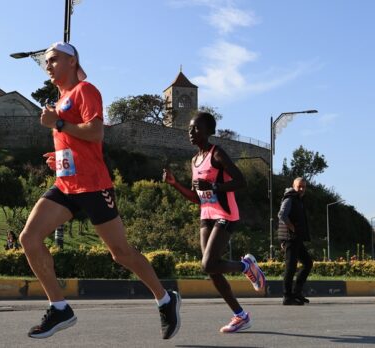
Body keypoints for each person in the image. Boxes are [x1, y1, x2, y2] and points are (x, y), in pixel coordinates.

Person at [19, 42, 180, 340]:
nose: (48, 65)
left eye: (54, 60)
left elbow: (96, 132)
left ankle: (165, 298)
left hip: (94, 185)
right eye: (46, 62)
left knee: (120, 253)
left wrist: (58, 122)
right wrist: (60, 158)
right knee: (28, 238)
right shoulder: (62, 98)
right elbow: (75, 141)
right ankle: (59, 307)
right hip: (66, 185)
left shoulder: (86, 90)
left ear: (72, 62)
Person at [162, 112, 266, 333]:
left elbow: (241, 181)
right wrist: (174, 184)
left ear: (208, 131)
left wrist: (215, 187)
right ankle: (241, 316)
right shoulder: (194, 160)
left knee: (208, 264)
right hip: (206, 215)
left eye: (196, 128)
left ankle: (246, 266)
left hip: (225, 215)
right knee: (212, 269)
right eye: (190, 129)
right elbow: (195, 196)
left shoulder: (217, 153)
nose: (191, 132)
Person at [277, 177, 314, 305]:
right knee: (291, 267)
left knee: (308, 263)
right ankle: (287, 297)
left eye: (304, 186)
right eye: (299, 186)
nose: (302, 189)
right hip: (290, 238)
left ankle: (297, 293)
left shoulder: (298, 199)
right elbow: (281, 215)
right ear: (294, 186)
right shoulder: (290, 198)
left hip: (296, 238)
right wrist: (291, 227)